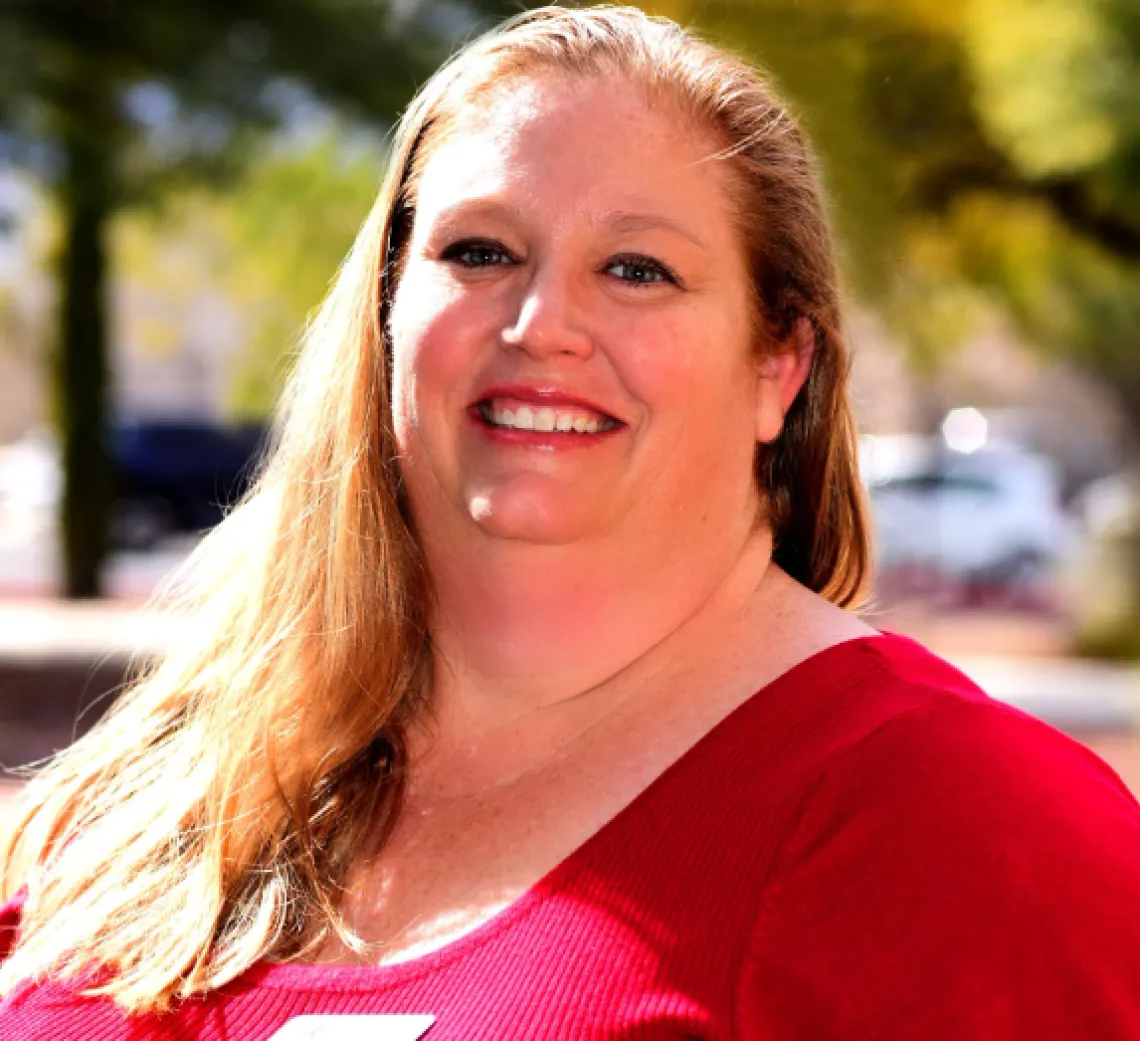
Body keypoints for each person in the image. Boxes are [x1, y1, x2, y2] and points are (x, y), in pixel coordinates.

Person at [3, 6, 1140, 1038]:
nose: (544, 323)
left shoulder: (962, 832)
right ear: (391, 311)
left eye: (639, 269)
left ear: (778, 368)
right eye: (480, 252)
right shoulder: (151, 802)